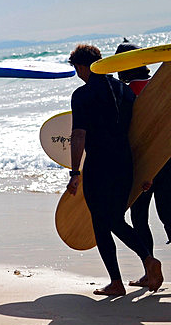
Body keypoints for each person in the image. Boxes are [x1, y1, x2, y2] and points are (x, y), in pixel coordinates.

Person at [65, 43, 162, 294]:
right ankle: (116, 281)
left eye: (77, 68)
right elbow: (139, 131)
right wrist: (146, 169)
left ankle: (146, 261)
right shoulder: (123, 90)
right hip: (125, 163)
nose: (77, 73)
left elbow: (78, 135)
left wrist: (75, 172)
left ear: (83, 66)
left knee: (105, 220)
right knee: (108, 220)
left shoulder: (82, 95)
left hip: (99, 165)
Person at [114, 41, 171, 286]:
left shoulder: (125, 93)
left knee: (139, 217)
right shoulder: (159, 87)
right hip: (168, 163)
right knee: (169, 216)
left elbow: (128, 134)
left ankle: (150, 271)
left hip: (144, 166)